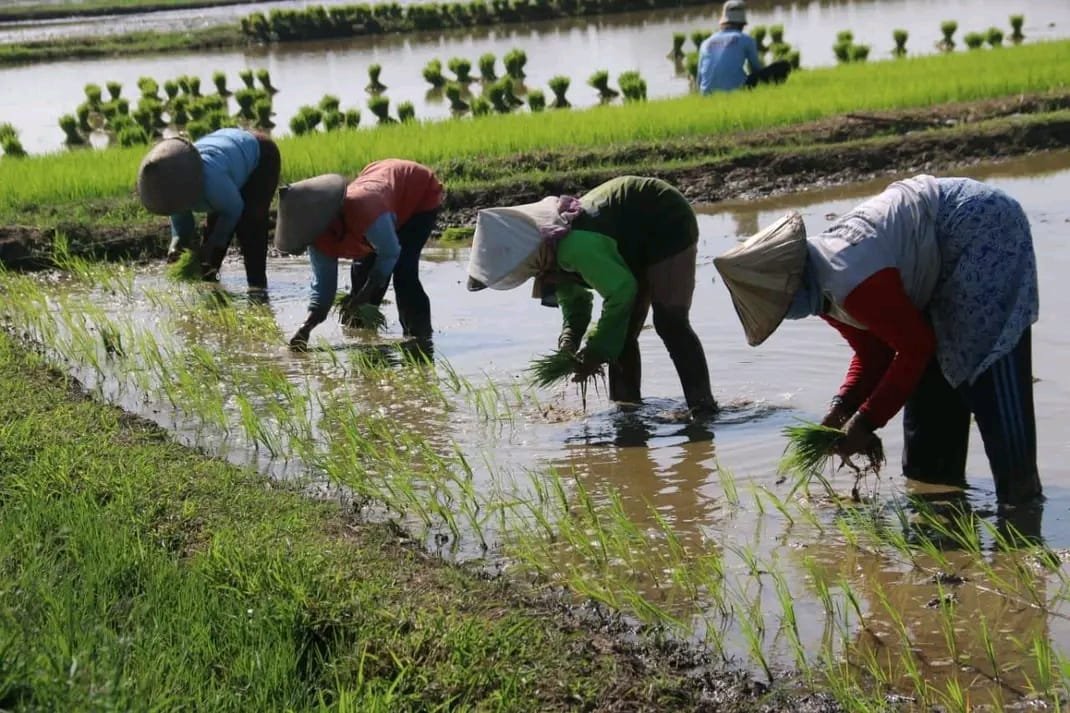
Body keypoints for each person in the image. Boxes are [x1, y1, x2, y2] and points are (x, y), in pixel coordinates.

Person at [714, 175, 1043, 507]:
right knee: (928, 419)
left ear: (790, 284)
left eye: (781, 306)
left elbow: (915, 348)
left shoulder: (849, 278)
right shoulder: (822, 289)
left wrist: (865, 421)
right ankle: (936, 491)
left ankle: (1021, 500)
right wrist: (840, 410)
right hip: (932, 250)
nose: (787, 312)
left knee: (985, 360)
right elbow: (875, 353)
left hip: (981, 228)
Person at [466, 176, 718, 418]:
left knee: (670, 321)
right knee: (622, 332)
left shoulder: (573, 244)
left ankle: (703, 408)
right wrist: (570, 340)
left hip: (664, 218)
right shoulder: (550, 251)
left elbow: (621, 291)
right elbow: (575, 300)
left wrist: (596, 351)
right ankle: (627, 410)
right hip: (630, 238)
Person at [276, 159, 444, 349]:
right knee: (362, 271)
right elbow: (323, 289)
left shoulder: (365, 209)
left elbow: (390, 253)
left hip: (417, 195)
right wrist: (306, 328)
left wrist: (367, 292)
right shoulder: (317, 240)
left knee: (404, 272)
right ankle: (364, 337)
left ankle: (420, 338)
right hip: (380, 205)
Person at [136, 127, 280, 289]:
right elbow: (182, 228)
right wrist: (176, 246)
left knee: (250, 227)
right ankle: (210, 291)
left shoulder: (210, 180)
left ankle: (258, 290)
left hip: (259, 155)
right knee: (207, 257)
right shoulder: (172, 192)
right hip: (227, 159)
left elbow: (234, 208)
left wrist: (215, 243)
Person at [698, 0, 791, 94]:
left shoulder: (706, 43)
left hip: (706, 93)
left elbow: (700, 78)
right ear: (742, 24)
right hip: (736, 90)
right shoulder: (746, 40)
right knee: (783, 65)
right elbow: (756, 68)